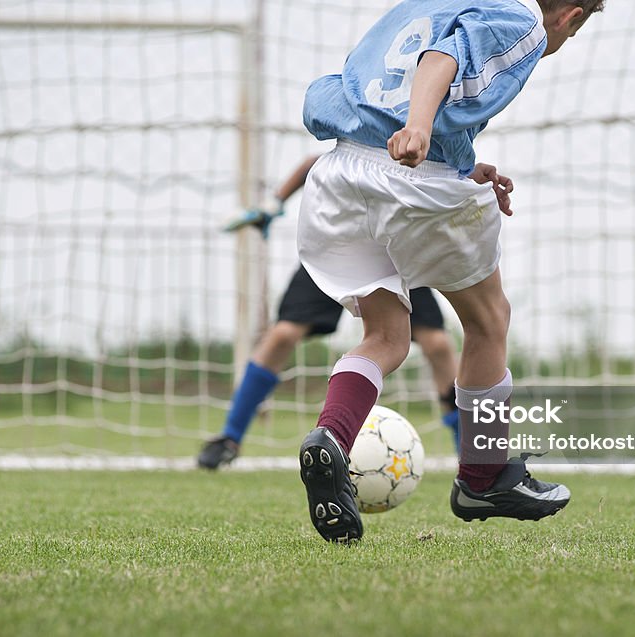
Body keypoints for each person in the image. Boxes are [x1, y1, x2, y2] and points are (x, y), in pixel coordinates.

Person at [296, 0, 605, 542]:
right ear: (570, 16)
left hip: (339, 173)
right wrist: (419, 128)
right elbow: (440, 58)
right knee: (488, 318)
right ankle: (483, 478)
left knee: (386, 336)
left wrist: (462, 162)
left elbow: (359, 81)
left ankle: (331, 440)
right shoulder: (523, 19)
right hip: (412, 177)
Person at [197, 156, 462, 470]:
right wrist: (274, 202)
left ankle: (468, 452)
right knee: (283, 334)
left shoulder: (429, 146)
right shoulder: (364, 138)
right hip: (338, 241)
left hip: (393, 247)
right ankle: (230, 437)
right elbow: (314, 162)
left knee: (439, 345)